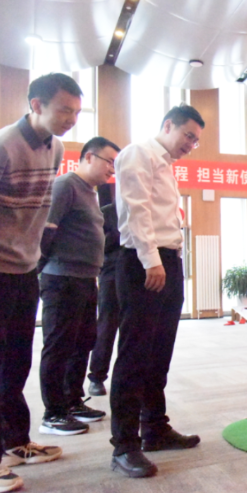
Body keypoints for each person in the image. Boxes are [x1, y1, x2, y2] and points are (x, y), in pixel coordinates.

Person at [110, 104, 204, 478]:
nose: (191, 144)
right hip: (143, 262)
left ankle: (154, 428)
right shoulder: (139, 153)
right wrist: (151, 260)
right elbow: (137, 211)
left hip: (168, 260)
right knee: (135, 354)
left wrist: (167, 260)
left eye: (196, 140)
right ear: (167, 126)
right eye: (188, 135)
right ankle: (124, 445)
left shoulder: (166, 165)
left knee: (159, 352)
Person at [0, 73, 82, 487]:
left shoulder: (57, 147)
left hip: (25, 269)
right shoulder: (4, 145)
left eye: (77, 112)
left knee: (16, 362)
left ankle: (15, 443)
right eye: (64, 109)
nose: (71, 119)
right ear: (36, 105)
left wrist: (32, 258)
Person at [38, 137, 119, 436]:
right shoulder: (66, 185)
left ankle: (72, 401)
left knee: (83, 341)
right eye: (109, 161)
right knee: (58, 345)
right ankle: (53, 414)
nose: (112, 169)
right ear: (88, 157)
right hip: (62, 279)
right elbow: (46, 231)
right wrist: (41, 271)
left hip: (86, 278)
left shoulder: (90, 192)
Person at [87, 189, 122, 397]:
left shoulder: (143, 210)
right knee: (107, 325)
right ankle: (97, 377)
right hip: (111, 273)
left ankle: (129, 378)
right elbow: (98, 245)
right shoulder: (106, 212)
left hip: (137, 272)